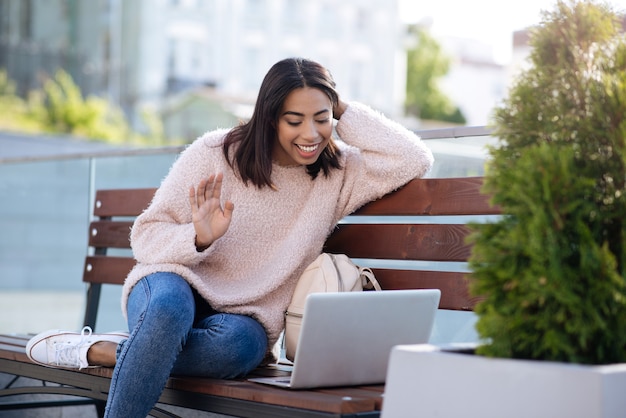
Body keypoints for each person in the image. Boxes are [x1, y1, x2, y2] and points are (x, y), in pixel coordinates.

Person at [26, 57, 434, 417]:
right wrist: (198, 238)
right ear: (270, 116)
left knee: (236, 351)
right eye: (295, 120)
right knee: (167, 314)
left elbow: (413, 158)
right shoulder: (215, 152)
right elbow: (146, 236)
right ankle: (145, 344)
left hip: (246, 317)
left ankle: (101, 351)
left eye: (322, 118)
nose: (310, 134)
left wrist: (338, 106)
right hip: (175, 280)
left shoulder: (339, 172)